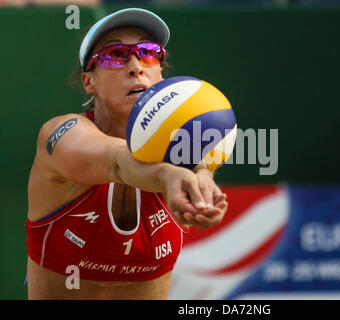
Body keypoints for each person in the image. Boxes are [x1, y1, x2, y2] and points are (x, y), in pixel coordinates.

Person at [25, 8, 228, 300]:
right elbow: (117, 161)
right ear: (88, 81)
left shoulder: (184, 152)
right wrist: (169, 175)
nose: (135, 66)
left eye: (148, 51)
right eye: (115, 54)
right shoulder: (60, 134)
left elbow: (197, 164)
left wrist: (203, 186)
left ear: (161, 72)